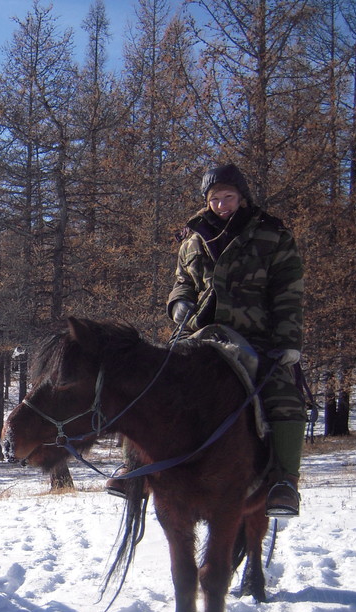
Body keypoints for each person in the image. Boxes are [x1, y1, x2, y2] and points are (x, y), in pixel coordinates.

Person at [107, 163, 306, 516]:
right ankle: (133, 471)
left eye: (227, 197)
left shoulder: (273, 235)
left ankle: (283, 482)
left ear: (242, 197)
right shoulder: (192, 238)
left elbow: (287, 291)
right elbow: (182, 280)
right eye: (214, 198)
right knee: (149, 386)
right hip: (200, 334)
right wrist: (178, 302)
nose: (220, 204)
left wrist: (288, 341)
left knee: (284, 397)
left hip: (255, 336)